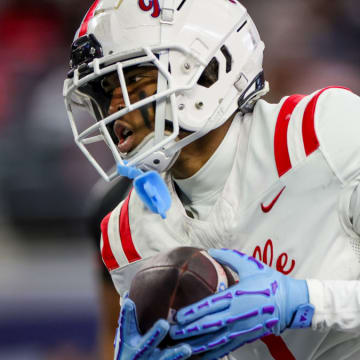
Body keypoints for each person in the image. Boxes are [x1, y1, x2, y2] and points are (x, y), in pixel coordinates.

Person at [63, 0, 360, 359]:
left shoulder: (320, 132)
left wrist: (303, 302)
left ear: (209, 69)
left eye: (132, 79)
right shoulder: (126, 234)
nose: (113, 111)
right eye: (104, 92)